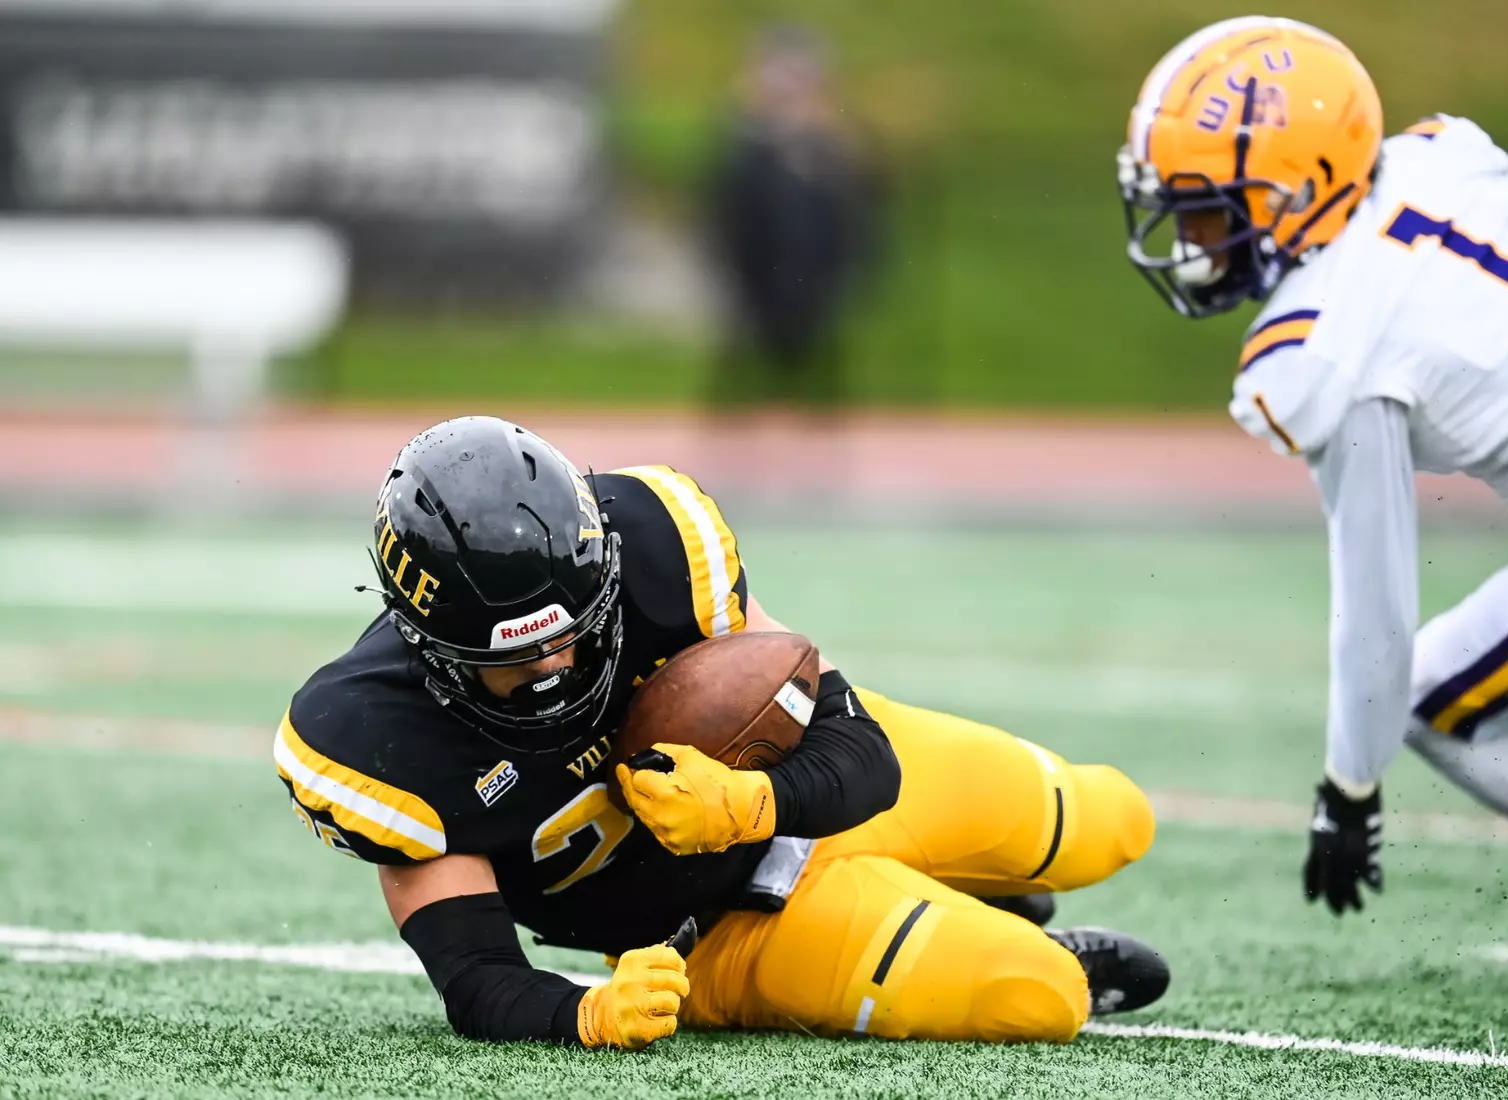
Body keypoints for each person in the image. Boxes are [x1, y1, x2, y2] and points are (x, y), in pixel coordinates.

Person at [274, 414, 1164, 1049]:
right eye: (513, 659)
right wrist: (586, 1014)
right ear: (430, 644)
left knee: (1109, 818)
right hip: (723, 930)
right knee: (1035, 995)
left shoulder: (661, 546)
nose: (554, 669)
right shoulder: (372, 738)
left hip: (799, 797)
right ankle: (1001, 928)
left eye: (573, 637)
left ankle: (978, 895)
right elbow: (474, 978)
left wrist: (749, 802)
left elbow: (864, 756)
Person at [1117, 15, 1508, 985]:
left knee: (1429, 699)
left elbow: (1377, 610)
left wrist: (1347, 784)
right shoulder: (1436, 171)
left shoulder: (1328, 343)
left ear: (1295, 190)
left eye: (1203, 209)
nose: (1189, 240)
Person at [705, 26, 880, 409]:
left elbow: (853, 204)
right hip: (757, 264)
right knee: (746, 351)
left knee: (815, 351)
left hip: (811, 266)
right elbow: (728, 202)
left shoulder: (828, 142)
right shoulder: (749, 139)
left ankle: (814, 420)